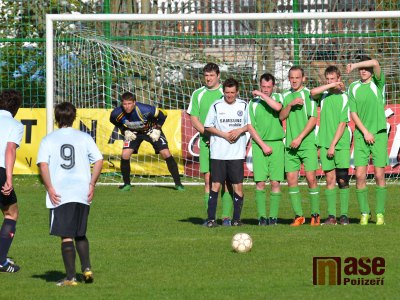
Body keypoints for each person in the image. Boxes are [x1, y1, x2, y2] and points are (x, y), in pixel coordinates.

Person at [37, 102, 103, 286]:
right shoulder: (85, 137)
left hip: (61, 192)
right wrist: (92, 184)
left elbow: (43, 165)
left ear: (56, 118)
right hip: (82, 191)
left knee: (66, 235)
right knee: (80, 233)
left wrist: (49, 188)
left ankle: (71, 278)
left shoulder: (48, 139)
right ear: (74, 117)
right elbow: (99, 160)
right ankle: (87, 268)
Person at [187, 63, 233, 225]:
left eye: (211, 75)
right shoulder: (198, 94)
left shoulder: (225, 93)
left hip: (224, 143)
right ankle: (210, 217)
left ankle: (226, 217)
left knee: (226, 180)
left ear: (218, 76)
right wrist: (208, 133)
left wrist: (221, 135)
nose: (208, 78)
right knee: (208, 179)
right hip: (207, 143)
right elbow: (194, 118)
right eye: (206, 75)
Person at [110, 92, 184, 191]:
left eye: (129, 103)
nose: (127, 107)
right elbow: (114, 121)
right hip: (134, 133)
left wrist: (157, 129)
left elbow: (163, 114)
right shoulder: (116, 113)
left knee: (166, 153)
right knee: (125, 155)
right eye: (125, 104)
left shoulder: (145, 109)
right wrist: (124, 130)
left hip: (151, 131)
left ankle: (178, 184)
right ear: (121, 104)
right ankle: (127, 184)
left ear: (134, 103)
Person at [346, 56, 388, 225]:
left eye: (365, 68)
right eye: (360, 69)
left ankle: (379, 214)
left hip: (379, 135)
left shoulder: (378, 84)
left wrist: (355, 64)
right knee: (360, 175)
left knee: (379, 175)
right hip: (362, 136)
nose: (363, 71)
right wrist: (365, 132)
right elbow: (353, 113)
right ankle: (364, 212)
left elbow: (376, 63)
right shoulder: (353, 87)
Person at [203, 78, 248, 227]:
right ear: (223, 92)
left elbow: (249, 125)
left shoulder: (244, 105)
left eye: (232, 93)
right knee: (215, 185)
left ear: (237, 92)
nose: (229, 95)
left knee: (238, 186)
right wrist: (224, 135)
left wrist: (239, 130)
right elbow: (208, 126)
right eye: (227, 92)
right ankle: (211, 220)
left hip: (236, 154)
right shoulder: (216, 105)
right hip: (218, 153)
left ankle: (236, 220)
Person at [279, 66, 320, 226]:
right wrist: (289, 105)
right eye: (292, 77)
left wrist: (300, 137)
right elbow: (281, 116)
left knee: (311, 178)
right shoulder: (285, 96)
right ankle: (299, 216)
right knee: (291, 179)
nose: (294, 80)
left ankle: (315, 215)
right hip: (290, 145)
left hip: (307, 143)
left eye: (297, 77)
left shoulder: (309, 95)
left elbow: (312, 119)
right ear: (289, 79)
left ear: (303, 79)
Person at [311, 66, 351, 225]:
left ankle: (344, 215)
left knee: (342, 180)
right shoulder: (323, 96)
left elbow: (342, 124)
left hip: (340, 144)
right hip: (325, 143)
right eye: (327, 79)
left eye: (332, 79)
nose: (329, 82)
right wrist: (330, 86)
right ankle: (332, 216)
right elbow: (312, 92)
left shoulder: (345, 98)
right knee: (329, 179)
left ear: (339, 78)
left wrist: (333, 145)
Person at [247, 73, 284, 226]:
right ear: (260, 85)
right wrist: (262, 145)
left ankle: (273, 217)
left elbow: (278, 108)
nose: (266, 89)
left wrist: (262, 95)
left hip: (276, 144)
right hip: (259, 145)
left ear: (273, 87)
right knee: (260, 183)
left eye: (269, 87)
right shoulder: (253, 103)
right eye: (263, 87)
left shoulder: (279, 98)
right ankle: (262, 217)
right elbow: (250, 127)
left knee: (275, 182)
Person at [0, 89, 23, 273]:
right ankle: (1, 261)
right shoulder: (14, 124)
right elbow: (10, 149)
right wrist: (9, 178)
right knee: (10, 213)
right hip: (0, 170)